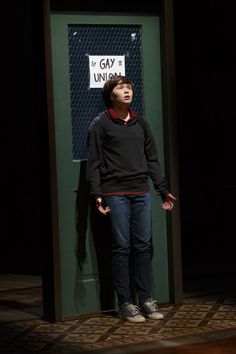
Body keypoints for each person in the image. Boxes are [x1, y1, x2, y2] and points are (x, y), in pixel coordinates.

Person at [86, 75, 176, 323]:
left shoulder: (141, 123)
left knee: (144, 246)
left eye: (129, 88)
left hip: (141, 193)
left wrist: (162, 189)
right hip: (115, 192)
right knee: (122, 247)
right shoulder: (101, 124)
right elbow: (93, 164)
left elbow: (153, 160)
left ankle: (146, 299)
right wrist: (98, 194)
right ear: (110, 94)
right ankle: (125, 302)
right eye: (121, 88)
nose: (127, 91)